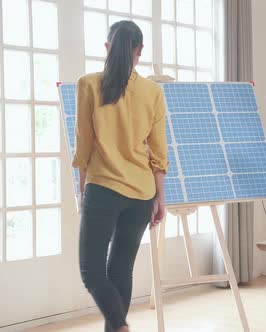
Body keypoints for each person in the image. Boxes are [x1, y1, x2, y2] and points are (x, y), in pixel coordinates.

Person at [74, 21, 168, 332]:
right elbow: (158, 151)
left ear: (107, 48)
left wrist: (81, 188)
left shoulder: (88, 84)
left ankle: (120, 327)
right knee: (120, 268)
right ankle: (118, 328)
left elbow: (84, 145)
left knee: (92, 271)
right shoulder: (152, 92)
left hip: (103, 187)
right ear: (139, 51)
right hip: (141, 193)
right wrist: (160, 197)